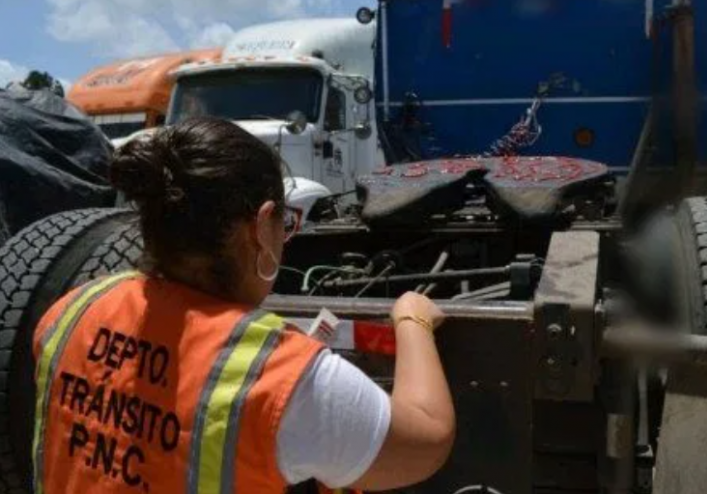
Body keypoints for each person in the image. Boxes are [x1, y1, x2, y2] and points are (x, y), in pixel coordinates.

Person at [32, 117, 455, 494]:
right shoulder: (278, 377)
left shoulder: (71, 310)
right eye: (284, 224)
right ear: (260, 224)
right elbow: (426, 441)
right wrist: (413, 318)